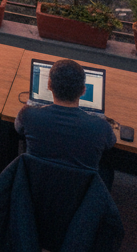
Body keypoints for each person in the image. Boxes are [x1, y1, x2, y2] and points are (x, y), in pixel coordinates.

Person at [15, 58, 116, 187]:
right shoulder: (101, 127)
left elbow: (18, 128)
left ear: (49, 85)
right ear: (83, 90)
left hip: (37, 187)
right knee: (106, 166)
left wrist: (31, 106)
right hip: (79, 193)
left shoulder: (28, 115)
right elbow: (111, 142)